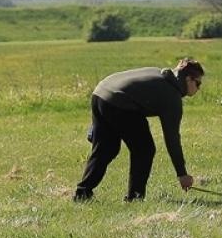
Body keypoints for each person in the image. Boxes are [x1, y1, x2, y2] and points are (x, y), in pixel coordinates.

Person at [73, 58, 203, 202]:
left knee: (106, 149)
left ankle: (82, 193)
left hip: (101, 93)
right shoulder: (171, 97)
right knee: (144, 149)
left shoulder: (157, 73)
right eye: (198, 83)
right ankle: (135, 197)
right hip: (118, 102)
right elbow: (172, 138)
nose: (199, 88)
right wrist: (182, 174)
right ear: (188, 79)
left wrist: (97, 127)